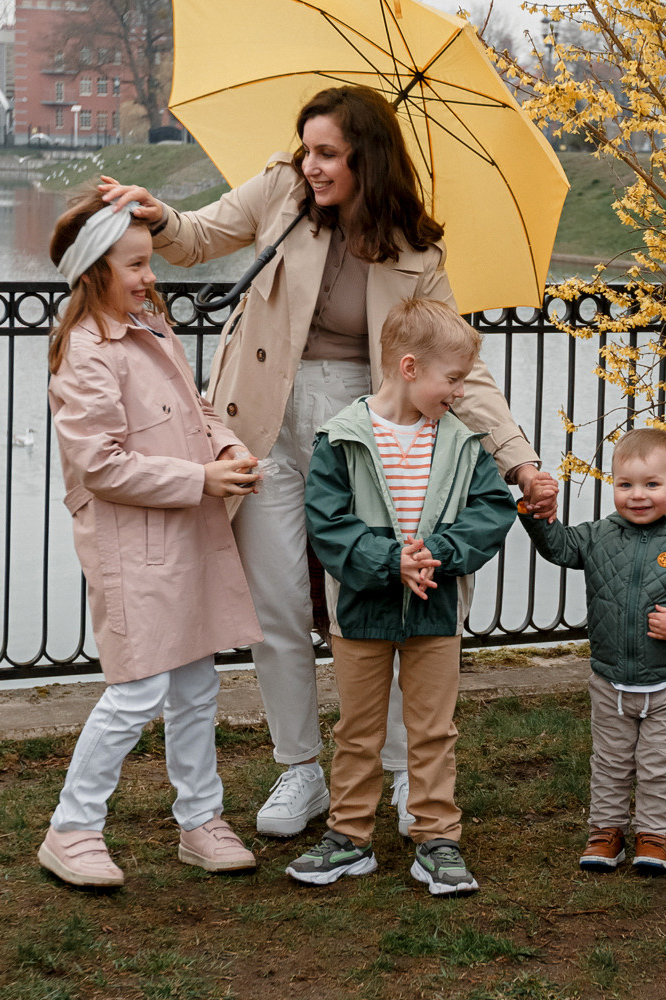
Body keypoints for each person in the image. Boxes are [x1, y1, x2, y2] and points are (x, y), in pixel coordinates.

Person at [98, 85, 560, 841]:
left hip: (368, 433)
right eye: (306, 148)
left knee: (382, 600)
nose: (309, 164)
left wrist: (519, 463)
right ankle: (300, 768)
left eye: (327, 154)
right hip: (266, 423)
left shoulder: (416, 251)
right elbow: (199, 235)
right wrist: (158, 217)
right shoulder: (282, 191)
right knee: (276, 602)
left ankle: (407, 773)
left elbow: (461, 369)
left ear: (365, 160)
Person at [35, 189, 266, 888]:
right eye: (135, 265)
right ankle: (72, 828)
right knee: (136, 691)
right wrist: (199, 478)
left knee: (196, 683)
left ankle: (200, 820)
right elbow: (99, 466)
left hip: (183, 534)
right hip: (134, 547)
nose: (150, 277)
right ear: (94, 269)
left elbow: (193, 410)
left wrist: (224, 449)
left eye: (150, 263)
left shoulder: (151, 329)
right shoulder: (85, 352)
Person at [284, 298, 517, 895]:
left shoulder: (464, 442)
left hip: (436, 609)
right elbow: (328, 524)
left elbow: (491, 511)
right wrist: (391, 561)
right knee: (358, 731)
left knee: (433, 730)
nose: (460, 393)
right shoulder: (341, 438)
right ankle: (349, 838)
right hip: (361, 609)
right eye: (454, 379)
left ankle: (437, 837)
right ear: (410, 368)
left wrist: (436, 553)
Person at [518, 427, 666, 876]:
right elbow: (558, 547)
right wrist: (538, 515)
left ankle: (653, 835)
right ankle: (606, 831)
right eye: (625, 485)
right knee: (611, 761)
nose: (638, 496)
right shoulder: (598, 536)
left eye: (651, 485)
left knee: (660, 763)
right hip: (610, 681)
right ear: (612, 485)